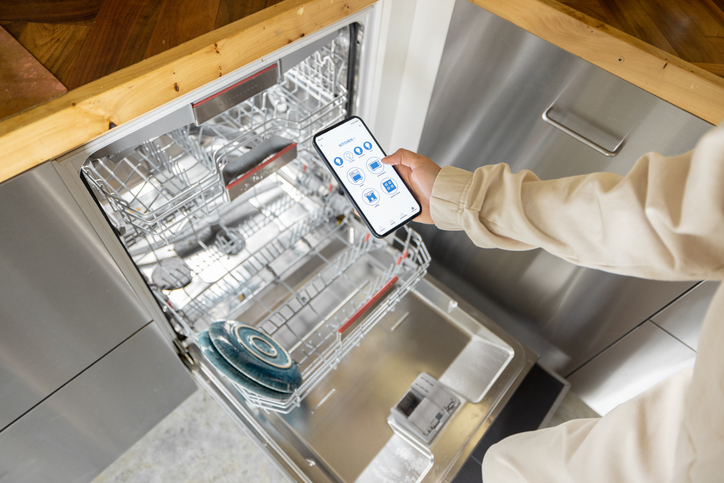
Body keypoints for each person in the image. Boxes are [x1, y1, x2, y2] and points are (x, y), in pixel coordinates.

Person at [381, 122, 724, 483]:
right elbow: (670, 214)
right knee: (509, 464)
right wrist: (461, 199)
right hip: (697, 433)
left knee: (511, 465)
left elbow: (661, 216)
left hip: (692, 444)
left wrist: (466, 199)